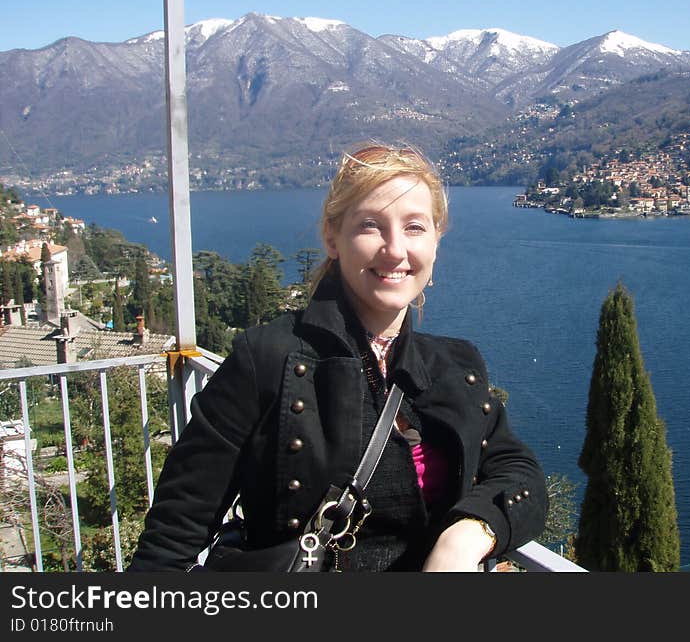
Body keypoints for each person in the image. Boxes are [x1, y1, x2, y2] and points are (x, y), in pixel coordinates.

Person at [128, 143, 548, 572]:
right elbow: (168, 546)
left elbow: (521, 474)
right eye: (371, 225)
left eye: (415, 227)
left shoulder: (457, 366)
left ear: (437, 241)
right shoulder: (268, 360)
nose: (395, 250)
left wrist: (463, 539)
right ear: (333, 237)